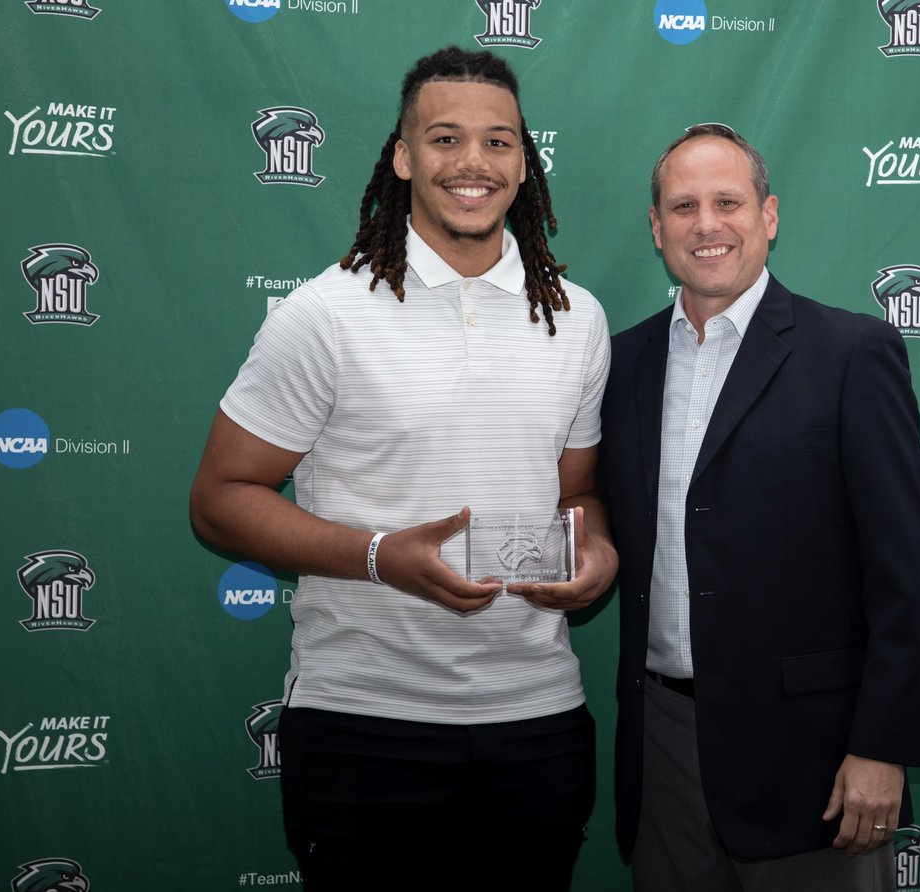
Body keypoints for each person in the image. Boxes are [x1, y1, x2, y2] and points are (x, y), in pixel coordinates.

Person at [189, 46, 616, 891]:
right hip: (363, 723)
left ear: (525, 164)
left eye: (499, 143)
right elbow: (220, 499)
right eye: (446, 138)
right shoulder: (326, 313)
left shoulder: (577, 319)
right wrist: (382, 555)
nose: (473, 163)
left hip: (538, 721)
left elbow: (577, 492)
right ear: (403, 155)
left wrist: (595, 557)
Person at [598, 124, 920, 890]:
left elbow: (905, 573)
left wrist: (881, 746)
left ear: (770, 214)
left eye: (728, 201)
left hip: (814, 761)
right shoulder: (621, 364)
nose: (706, 224)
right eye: (683, 206)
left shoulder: (854, 354)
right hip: (664, 751)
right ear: (656, 228)